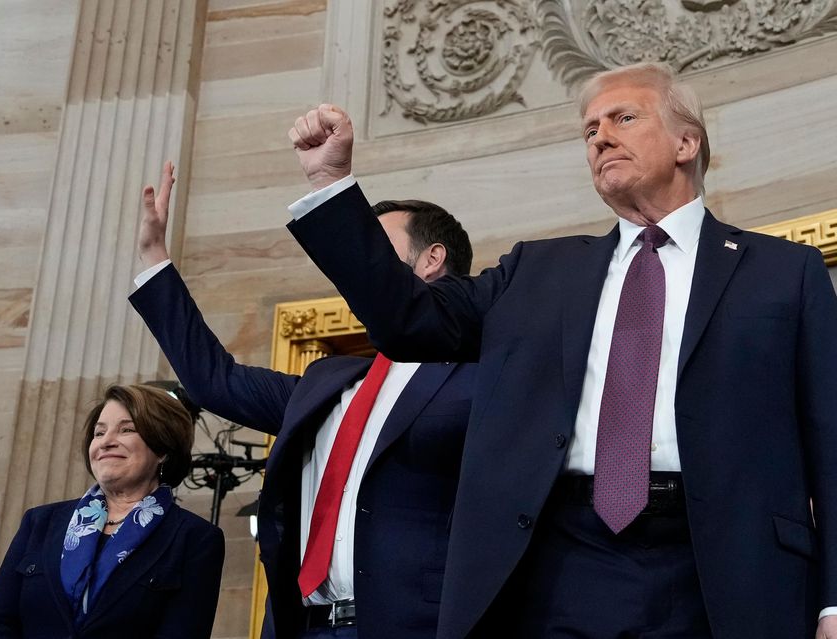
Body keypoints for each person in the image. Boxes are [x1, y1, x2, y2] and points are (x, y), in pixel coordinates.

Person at [285, 63, 837, 638]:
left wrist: (833, 601)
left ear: (686, 142)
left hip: (726, 566)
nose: (600, 136)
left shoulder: (782, 272)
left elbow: (830, 439)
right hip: (563, 563)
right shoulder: (536, 271)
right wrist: (332, 186)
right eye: (590, 129)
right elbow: (408, 323)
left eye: (623, 117)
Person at [130, 161, 476, 638]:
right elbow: (214, 380)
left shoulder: (479, 377)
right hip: (303, 627)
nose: (360, 260)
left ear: (431, 259)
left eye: (375, 245)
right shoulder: (327, 381)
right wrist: (154, 258)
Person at [0, 384, 224, 639]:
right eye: (99, 433)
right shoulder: (40, 522)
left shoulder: (196, 539)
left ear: (163, 450)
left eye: (126, 430)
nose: (106, 442)